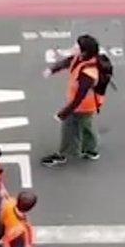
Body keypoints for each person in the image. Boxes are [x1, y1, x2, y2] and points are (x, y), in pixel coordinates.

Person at [41, 35, 103, 167]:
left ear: (84, 51)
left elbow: (79, 98)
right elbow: (68, 62)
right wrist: (52, 69)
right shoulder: (80, 58)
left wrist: (64, 113)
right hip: (86, 105)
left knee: (69, 128)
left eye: (77, 46)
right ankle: (90, 150)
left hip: (82, 106)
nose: (73, 46)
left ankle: (63, 154)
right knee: (86, 126)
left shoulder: (88, 74)